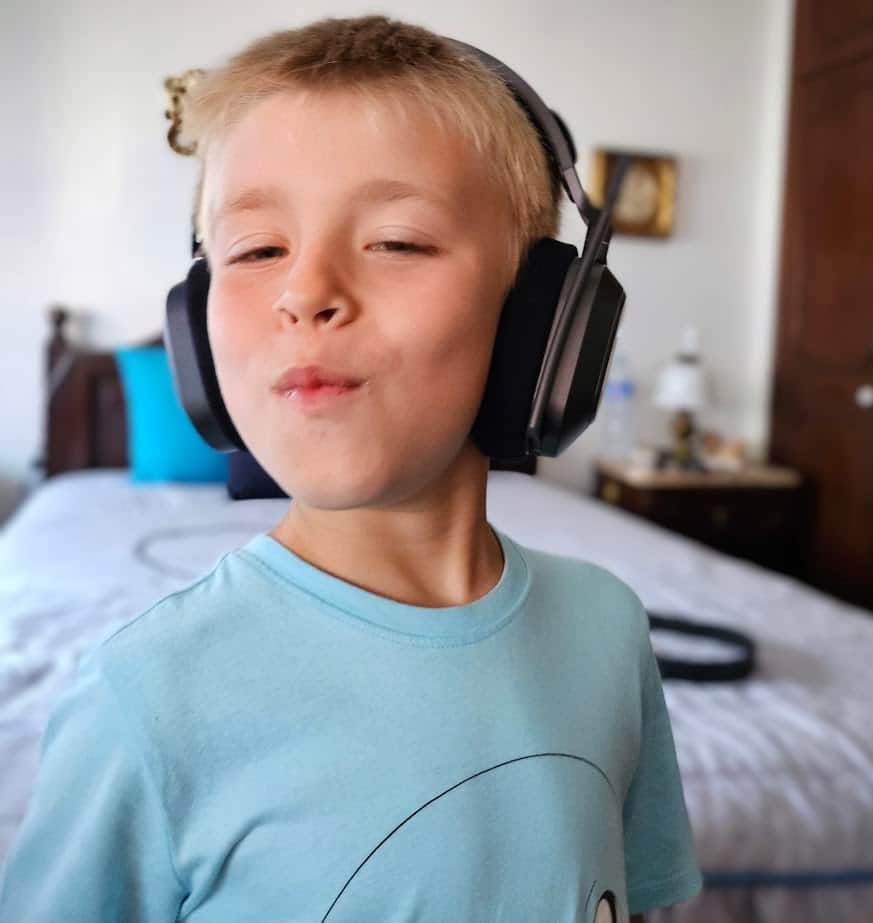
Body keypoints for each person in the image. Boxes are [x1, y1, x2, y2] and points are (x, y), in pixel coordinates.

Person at [0, 14, 702, 922]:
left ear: (543, 322)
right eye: (257, 250)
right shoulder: (143, 703)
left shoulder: (607, 624)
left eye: (396, 241)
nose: (306, 292)